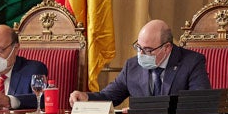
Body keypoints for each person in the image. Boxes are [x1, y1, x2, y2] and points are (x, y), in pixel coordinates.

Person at [69, 19, 210, 107]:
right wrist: (87, 97)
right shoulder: (132, 66)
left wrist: (147, 110)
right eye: (139, 47)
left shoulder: (192, 62)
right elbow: (109, 96)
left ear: (167, 48)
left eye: (148, 50)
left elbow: (198, 103)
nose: (141, 54)